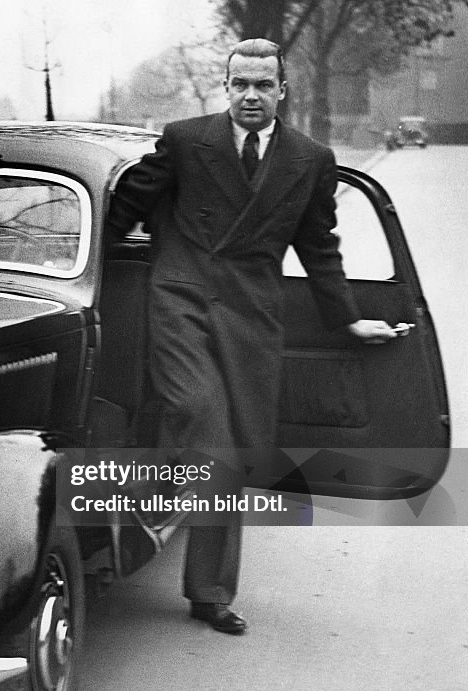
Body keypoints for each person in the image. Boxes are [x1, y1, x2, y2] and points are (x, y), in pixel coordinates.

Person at [112, 38, 403, 634]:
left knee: (237, 451)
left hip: (251, 316)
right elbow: (124, 208)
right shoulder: (186, 141)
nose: (251, 96)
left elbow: (318, 245)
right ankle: (184, 545)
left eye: (262, 85)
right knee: (203, 423)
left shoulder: (310, 159)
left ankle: (202, 578)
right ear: (226, 87)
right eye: (240, 84)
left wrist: (346, 318)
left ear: (281, 91)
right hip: (181, 302)